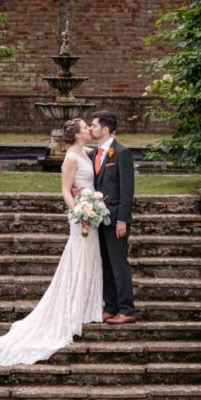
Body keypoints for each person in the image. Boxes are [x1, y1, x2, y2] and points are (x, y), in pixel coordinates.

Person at [0, 118, 104, 365]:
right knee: (78, 258)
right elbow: (66, 190)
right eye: (86, 127)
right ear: (78, 135)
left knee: (90, 257)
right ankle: (73, 309)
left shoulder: (87, 152)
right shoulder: (70, 158)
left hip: (92, 211)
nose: (90, 129)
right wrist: (80, 211)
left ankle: (88, 306)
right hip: (81, 216)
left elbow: (103, 151)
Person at [88, 109, 136, 324]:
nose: (91, 128)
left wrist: (122, 220)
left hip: (116, 219)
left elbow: (127, 190)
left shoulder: (121, 152)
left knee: (119, 265)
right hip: (99, 219)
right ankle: (111, 307)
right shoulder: (94, 154)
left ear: (105, 129)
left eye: (94, 125)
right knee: (106, 265)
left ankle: (127, 310)